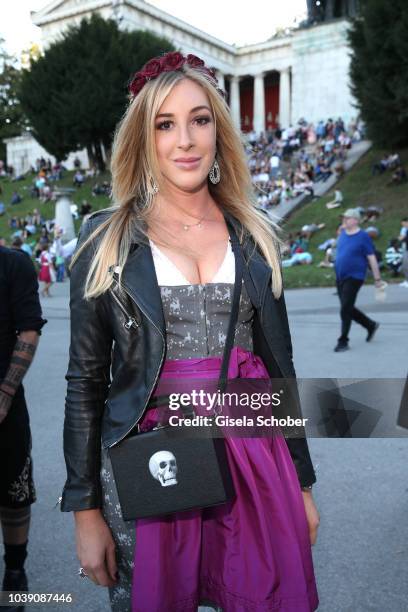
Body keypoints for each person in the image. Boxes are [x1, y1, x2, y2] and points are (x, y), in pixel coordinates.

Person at [61, 51, 319, 612]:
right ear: (143, 139)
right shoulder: (105, 241)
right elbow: (84, 384)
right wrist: (85, 511)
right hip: (155, 462)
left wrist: (301, 484)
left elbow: (280, 373)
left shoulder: (253, 239)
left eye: (199, 119)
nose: (185, 140)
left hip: (255, 458)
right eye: (165, 124)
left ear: (218, 131)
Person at [0, 244, 46, 604]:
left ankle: (15, 569)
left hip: (5, 403)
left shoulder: (13, 263)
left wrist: (5, 392)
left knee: (14, 492)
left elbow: (28, 330)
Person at [334, 209, 383, 352]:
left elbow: (371, 257)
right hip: (340, 277)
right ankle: (370, 325)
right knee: (347, 307)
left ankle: (343, 341)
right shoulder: (342, 234)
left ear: (356, 220)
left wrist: (377, 278)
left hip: (355, 277)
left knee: (345, 309)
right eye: (344, 217)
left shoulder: (363, 236)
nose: (344, 220)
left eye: (347, 218)